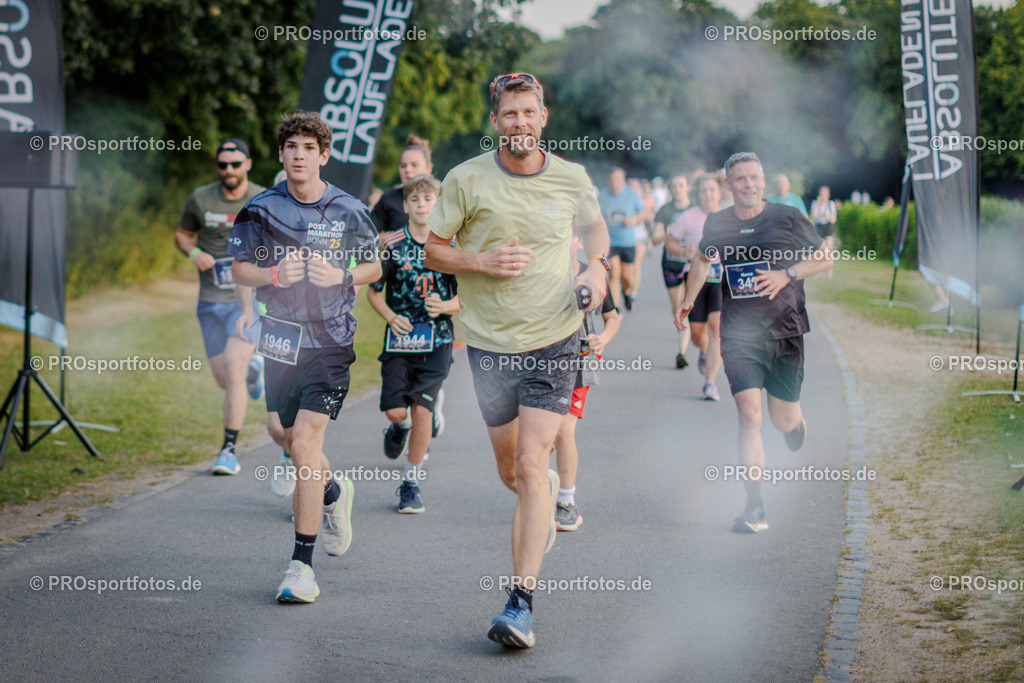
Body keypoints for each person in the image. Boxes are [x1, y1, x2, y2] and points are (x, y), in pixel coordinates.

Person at [425, 72, 610, 648]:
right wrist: (481, 262)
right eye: (510, 114)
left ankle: (520, 604)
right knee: (512, 472)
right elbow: (433, 250)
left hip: (556, 338)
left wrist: (597, 267)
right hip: (489, 346)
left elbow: (596, 231)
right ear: (495, 122)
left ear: (544, 116)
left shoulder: (571, 178)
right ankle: (540, 496)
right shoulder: (465, 178)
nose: (521, 122)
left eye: (530, 112)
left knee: (531, 465)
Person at [229, 111, 382, 603]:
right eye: (291, 147)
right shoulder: (260, 208)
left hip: (331, 339)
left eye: (309, 147)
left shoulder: (348, 209)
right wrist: (274, 276)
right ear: (281, 154)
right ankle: (334, 492)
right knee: (283, 434)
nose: (299, 155)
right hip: (280, 337)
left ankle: (302, 567)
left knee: (304, 445)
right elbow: (240, 268)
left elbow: (373, 266)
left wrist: (340, 276)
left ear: (324, 155)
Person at [676, 152, 832, 533]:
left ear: (763, 181)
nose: (748, 184)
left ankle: (795, 424)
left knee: (782, 419)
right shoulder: (719, 222)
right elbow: (702, 259)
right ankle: (755, 506)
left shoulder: (787, 217)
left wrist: (787, 274)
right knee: (749, 416)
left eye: (754, 177)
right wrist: (689, 299)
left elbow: (825, 258)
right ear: (728, 184)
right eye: (741, 178)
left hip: (785, 332)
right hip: (740, 336)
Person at [367, 173, 457, 513]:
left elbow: (469, 297)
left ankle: (411, 482)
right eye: (415, 200)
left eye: (428, 199)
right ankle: (398, 425)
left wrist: (446, 306)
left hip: (438, 340)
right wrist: (391, 317)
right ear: (405, 206)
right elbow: (374, 292)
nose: (422, 205)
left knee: (422, 411)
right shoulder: (392, 245)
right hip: (401, 340)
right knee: (397, 410)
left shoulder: (449, 246)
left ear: (438, 204)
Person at [175, 138, 264, 475]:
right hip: (210, 300)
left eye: (235, 164)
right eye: (223, 165)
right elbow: (182, 235)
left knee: (233, 366)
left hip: (248, 300)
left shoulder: (263, 199)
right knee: (224, 378)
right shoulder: (201, 198)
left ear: (248, 164)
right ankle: (254, 372)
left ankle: (228, 450)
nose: (229, 170)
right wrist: (194, 252)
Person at [553, 237, 620, 532]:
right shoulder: (540, 274)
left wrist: (602, 338)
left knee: (563, 432)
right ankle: (538, 487)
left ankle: (566, 501)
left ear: (579, 241)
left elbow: (612, 318)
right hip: (541, 361)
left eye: (568, 235)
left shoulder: (591, 276)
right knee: (539, 434)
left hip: (580, 362)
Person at [668, 175, 725, 400]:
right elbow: (670, 242)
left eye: (712, 190)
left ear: (719, 192)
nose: (708, 194)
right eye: (704, 190)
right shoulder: (688, 216)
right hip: (695, 279)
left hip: (721, 279)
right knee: (698, 335)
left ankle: (710, 383)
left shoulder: (729, 216)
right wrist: (684, 251)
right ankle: (703, 350)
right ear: (698, 194)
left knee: (716, 329)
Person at [652, 172, 692, 368]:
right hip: (671, 263)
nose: (678, 189)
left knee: (687, 305)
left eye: (681, 185)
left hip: (692, 263)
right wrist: (666, 235)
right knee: (677, 307)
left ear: (687, 188)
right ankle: (683, 330)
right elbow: (654, 239)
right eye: (674, 186)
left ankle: (681, 352)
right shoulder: (665, 210)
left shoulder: (695, 209)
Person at [598, 168, 644, 311]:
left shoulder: (631, 194)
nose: (614, 182)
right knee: (614, 273)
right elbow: (596, 214)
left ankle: (627, 292)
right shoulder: (602, 195)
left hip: (627, 241)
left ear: (623, 181)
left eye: (617, 179)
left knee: (627, 277)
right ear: (608, 180)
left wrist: (633, 220)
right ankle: (616, 308)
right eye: (612, 179)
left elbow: (642, 212)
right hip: (610, 241)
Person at [370, 135, 433, 233]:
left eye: (414, 165)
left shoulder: (441, 199)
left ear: (428, 169)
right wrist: (392, 238)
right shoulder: (389, 199)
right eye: (403, 166)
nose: (407, 170)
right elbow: (367, 234)